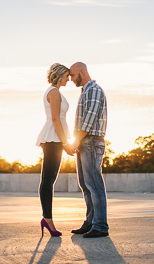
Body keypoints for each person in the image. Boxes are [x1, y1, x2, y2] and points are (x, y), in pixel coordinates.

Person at [35, 63, 76, 237]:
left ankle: (47, 219)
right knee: (48, 180)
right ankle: (48, 220)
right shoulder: (54, 92)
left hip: (54, 139)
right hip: (53, 139)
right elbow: (55, 119)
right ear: (60, 75)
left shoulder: (53, 92)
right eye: (67, 76)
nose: (69, 79)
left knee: (49, 180)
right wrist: (66, 143)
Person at [69, 62, 109, 238]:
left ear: (82, 72)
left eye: (72, 75)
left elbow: (89, 120)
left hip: (91, 142)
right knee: (85, 185)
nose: (70, 79)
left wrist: (76, 141)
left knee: (94, 184)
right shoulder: (85, 91)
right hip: (85, 142)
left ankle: (100, 226)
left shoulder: (93, 90)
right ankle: (90, 222)